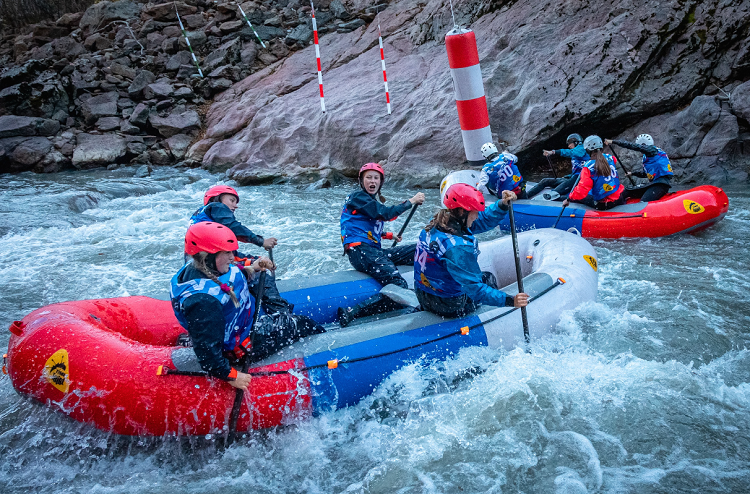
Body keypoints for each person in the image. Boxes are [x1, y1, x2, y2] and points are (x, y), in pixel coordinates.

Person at [170, 222, 326, 390]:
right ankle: (328, 343)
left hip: (236, 327)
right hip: (241, 347)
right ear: (206, 255)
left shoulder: (203, 268)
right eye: (228, 252)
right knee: (299, 323)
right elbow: (208, 354)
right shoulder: (203, 301)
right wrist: (231, 376)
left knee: (262, 287)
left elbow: (229, 278)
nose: (232, 257)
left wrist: (252, 268)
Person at [414, 183, 529, 318]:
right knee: (488, 280)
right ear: (462, 211)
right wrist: (510, 300)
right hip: (448, 304)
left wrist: (502, 204)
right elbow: (475, 289)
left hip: (423, 293)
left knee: (483, 277)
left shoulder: (440, 222)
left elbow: (483, 220)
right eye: (475, 211)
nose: (477, 216)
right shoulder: (458, 248)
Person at [337, 162, 426, 327]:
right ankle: (353, 311)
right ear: (361, 181)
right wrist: (411, 201)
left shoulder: (367, 202)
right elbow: (385, 214)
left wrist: (387, 235)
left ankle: (431, 290)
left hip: (370, 251)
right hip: (361, 252)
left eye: (376, 178)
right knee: (399, 284)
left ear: (381, 181)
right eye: (368, 178)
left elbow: (362, 224)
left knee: (420, 249)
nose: (372, 181)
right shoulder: (358, 197)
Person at [190, 185, 292, 314]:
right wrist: (261, 242)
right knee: (261, 277)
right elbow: (234, 228)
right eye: (231, 200)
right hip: (213, 271)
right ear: (217, 198)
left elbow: (230, 254)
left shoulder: (204, 217)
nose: (235, 205)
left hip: (205, 267)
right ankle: (282, 315)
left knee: (255, 262)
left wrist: (255, 260)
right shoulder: (217, 207)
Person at [562, 135, 625, 210]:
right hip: (619, 197)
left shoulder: (588, 168)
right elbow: (611, 161)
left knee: (579, 197)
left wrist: (569, 199)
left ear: (588, 150)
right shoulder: (610, 158)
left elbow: (582, 189)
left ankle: (562, 199)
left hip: (606, 204)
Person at [604, 134, 673, 202]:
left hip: (661, 184)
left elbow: (633, 146)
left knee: (644, 201)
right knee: (627, 191)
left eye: (640, 146)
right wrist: (632, 173)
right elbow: (646, 174)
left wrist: (613, 142)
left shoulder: (653, 150)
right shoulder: (650, 156)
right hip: (653, 184)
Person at [533, 133, 591, 199]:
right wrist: (569, 175)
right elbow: (577, 169)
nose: (568, 146)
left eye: (569, 143)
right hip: (573, 178)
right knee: (545, 181)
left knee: (574, 178)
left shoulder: (582, 149)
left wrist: (553, 152)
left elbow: (570, 152)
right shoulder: (576, 153)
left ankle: (551, 195)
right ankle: (525, 197)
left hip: (581, 179)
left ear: (576, 142)